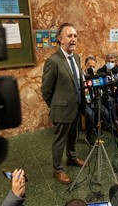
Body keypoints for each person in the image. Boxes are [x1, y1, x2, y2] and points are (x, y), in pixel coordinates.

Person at [41, 22, 86, 185]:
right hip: (61, 109)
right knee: (60, 140)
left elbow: (77, 81)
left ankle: (72, 158)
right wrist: (54, 105)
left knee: (73, 136)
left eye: (75, 36)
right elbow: (46, 89)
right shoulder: (53, 61)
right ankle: (58, 169)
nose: (73, 39)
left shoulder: (77, 57)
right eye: (69, 36)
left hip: (76, 106)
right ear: (60, 39)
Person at [83, 56, 113, 145]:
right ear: (85, 65)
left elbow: (99, 89)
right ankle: (89, 136)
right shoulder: (80, 76)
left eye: (93, 67)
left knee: (104, 112)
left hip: (94, 99)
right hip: (84, 101)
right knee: (90, 114)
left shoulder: (95, 76)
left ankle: (98, 129)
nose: (91, 69)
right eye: (89, 66)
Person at [97, 53, 118, 134]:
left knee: (117, 102)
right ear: (105, 61)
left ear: (115, 62)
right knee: (110, 101)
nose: (110, 63)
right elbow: (98, 83)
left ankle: (110, 122)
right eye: (108, 61)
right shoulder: (101, 71)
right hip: (105, 93)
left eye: (112, 61)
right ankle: (115, 121)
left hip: (116, 94)